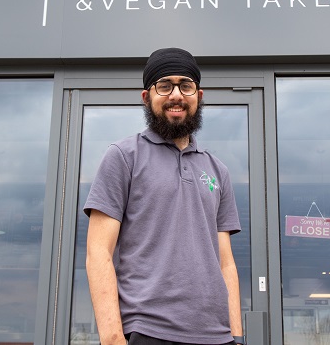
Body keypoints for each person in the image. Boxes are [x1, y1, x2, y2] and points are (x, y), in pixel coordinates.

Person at [84, 47, 244, 345]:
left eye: (186, 85)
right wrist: (112, 338)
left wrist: (236, 335)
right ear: (147, 97)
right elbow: (98, 253)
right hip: (148, 331)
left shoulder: (217, 170)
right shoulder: (123, 157)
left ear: (199, 95)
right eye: (165, 85)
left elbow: (226, 264)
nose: (176, 95)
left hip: (217, 336)